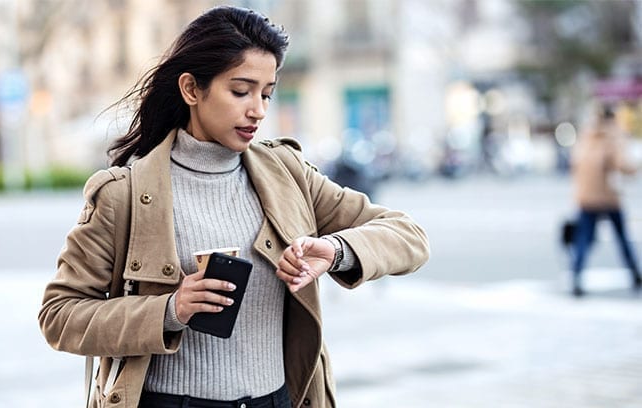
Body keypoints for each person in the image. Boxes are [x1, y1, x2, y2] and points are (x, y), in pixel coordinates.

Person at [38, 6, 430, 408]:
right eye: (241, 91)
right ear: (191, 89)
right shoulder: (122, 194)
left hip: (277, 399)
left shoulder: (288, 174)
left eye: (267, 93)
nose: (258, 109)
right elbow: (59, 315)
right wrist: (170, 309)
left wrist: (336, 251)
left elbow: (408, 236)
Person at [569, 105, 641, 297]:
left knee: (583, 238)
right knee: (622, 237)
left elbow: (574, 164)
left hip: (585, 197)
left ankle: (576, 275)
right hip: (608, 197)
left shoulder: (586, 137)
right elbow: (622, 165)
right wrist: (634, 167)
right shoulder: (612, 138)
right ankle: (635, 273)